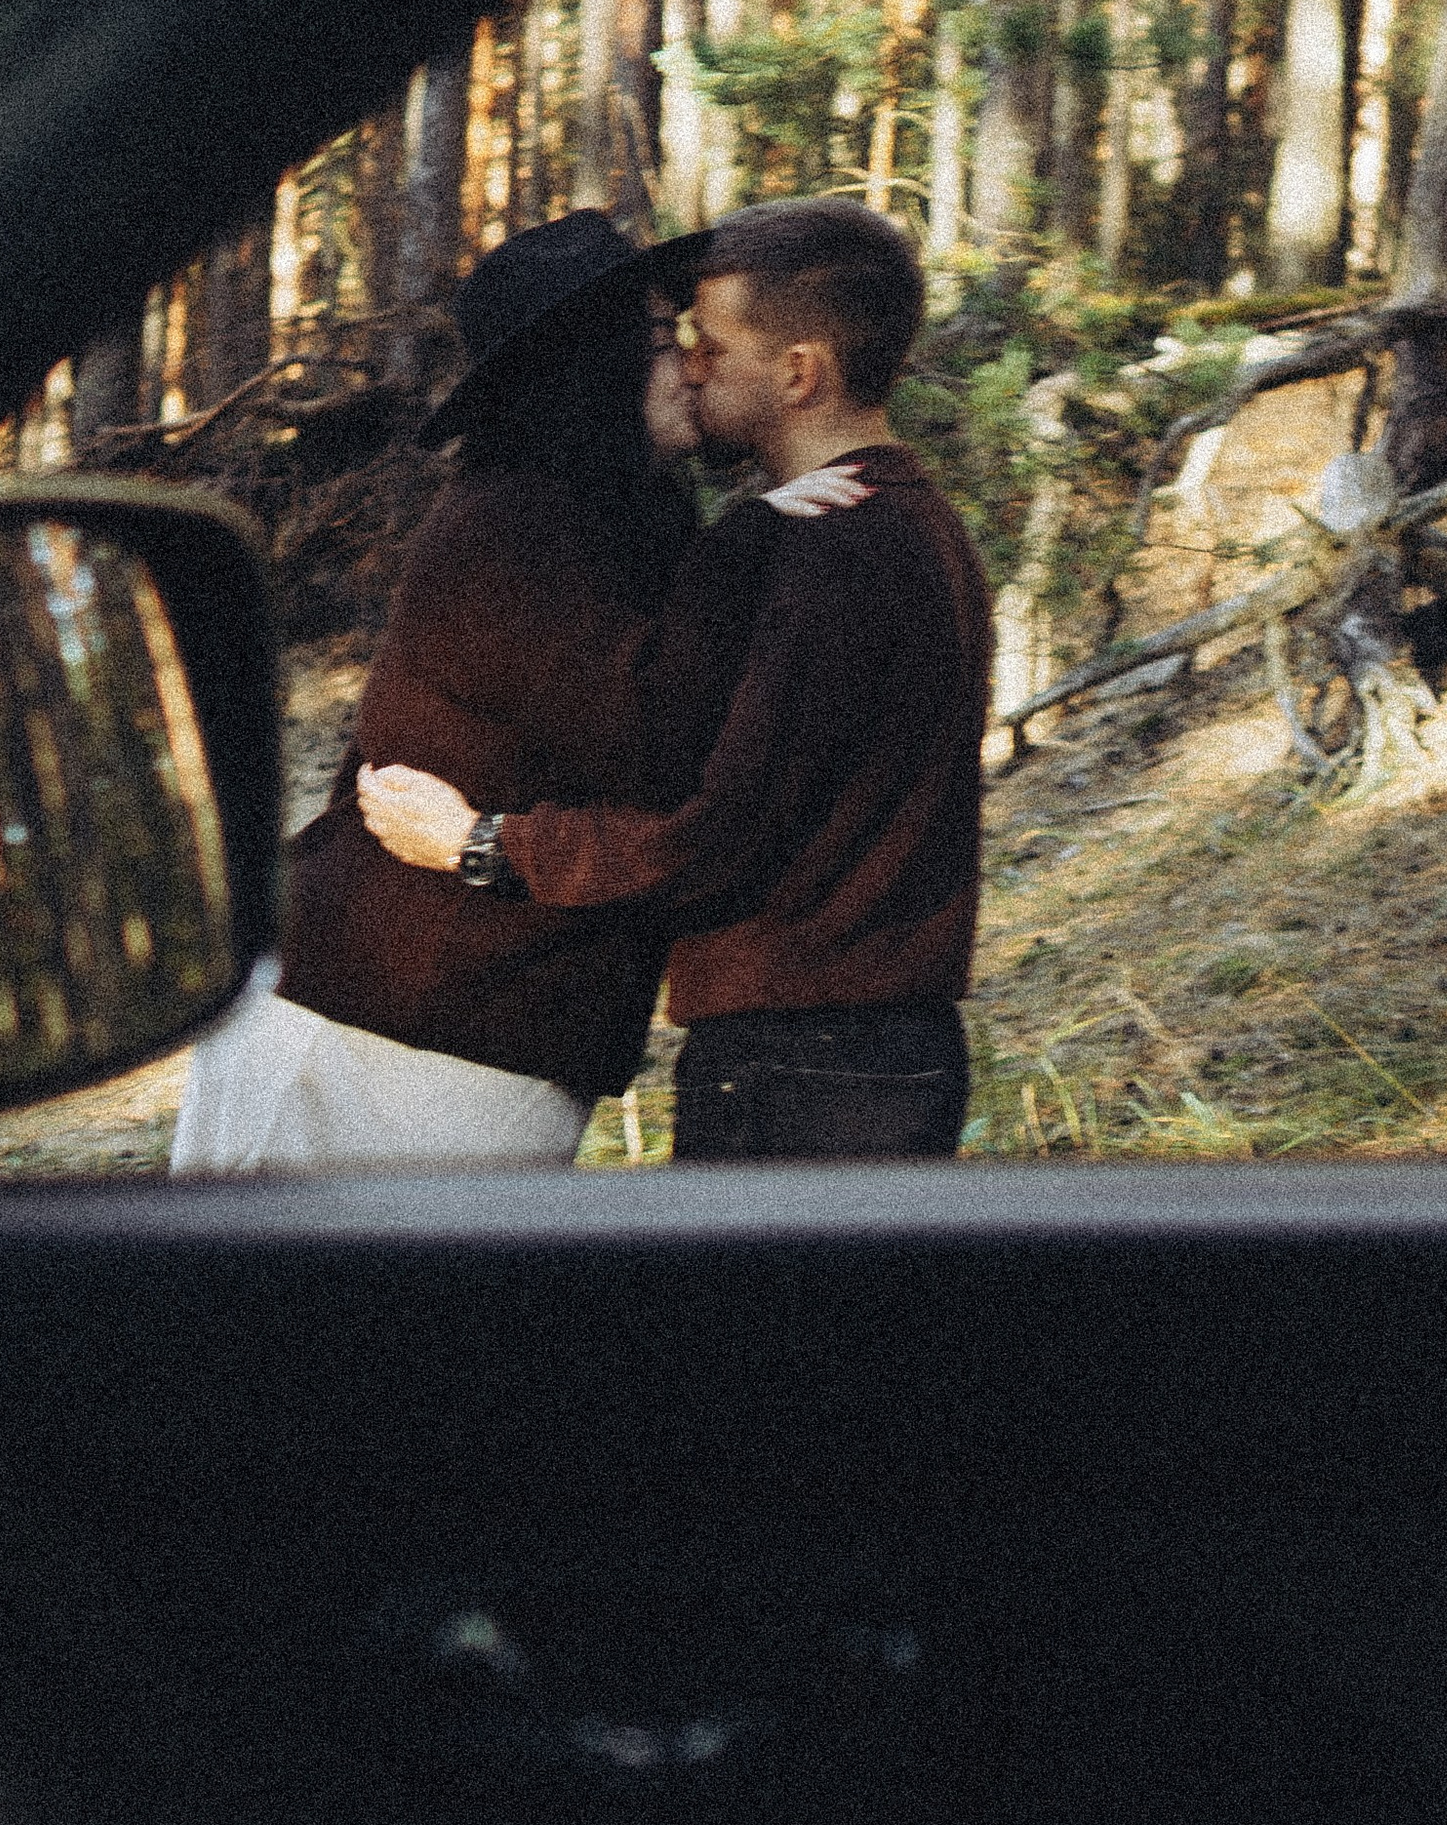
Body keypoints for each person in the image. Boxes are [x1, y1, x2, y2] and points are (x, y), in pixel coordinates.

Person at [356, 198, 990, 1164]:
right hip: (857, 1049)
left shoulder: (830, 547)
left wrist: (481, 844)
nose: (693, 365)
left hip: (806, 1059)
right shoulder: (896, 518)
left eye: (713, 345)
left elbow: (715, 838)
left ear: (798, 373)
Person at [169, 208, 758, 1172]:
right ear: (593, 365)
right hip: (373, 1026)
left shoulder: (630, 530)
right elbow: (665, 743)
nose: (693, 365)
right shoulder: (508, 531)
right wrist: (774, 534)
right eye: (663, 339)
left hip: (482, 1027)